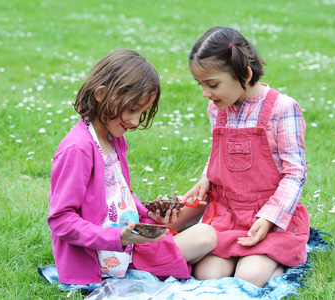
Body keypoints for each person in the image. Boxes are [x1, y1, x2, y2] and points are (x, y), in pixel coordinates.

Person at [47, 49, 216, 285]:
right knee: (205, 237)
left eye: (142, 112)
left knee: (199, 204)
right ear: (100, 94)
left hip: (129, 234)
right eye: (132, 109)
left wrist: (148, 213)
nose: (136, 121)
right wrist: (120, 238)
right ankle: (182, 255)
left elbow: (120, 194)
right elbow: (61, 220)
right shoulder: (78, 149)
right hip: (106, 257)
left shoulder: (114, 140)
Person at [180, 27, 310, 287]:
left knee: (248, 278)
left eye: (212, 84)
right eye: (201, 85)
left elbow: (295, 172)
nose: (205, 93)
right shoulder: (218, 107)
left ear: (245, 75)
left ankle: (279, 261)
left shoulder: (283, 108)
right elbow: (219, 152)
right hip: (228, 215)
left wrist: (269, 217)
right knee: (207, 275)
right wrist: (207, 177)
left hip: (268, 218)